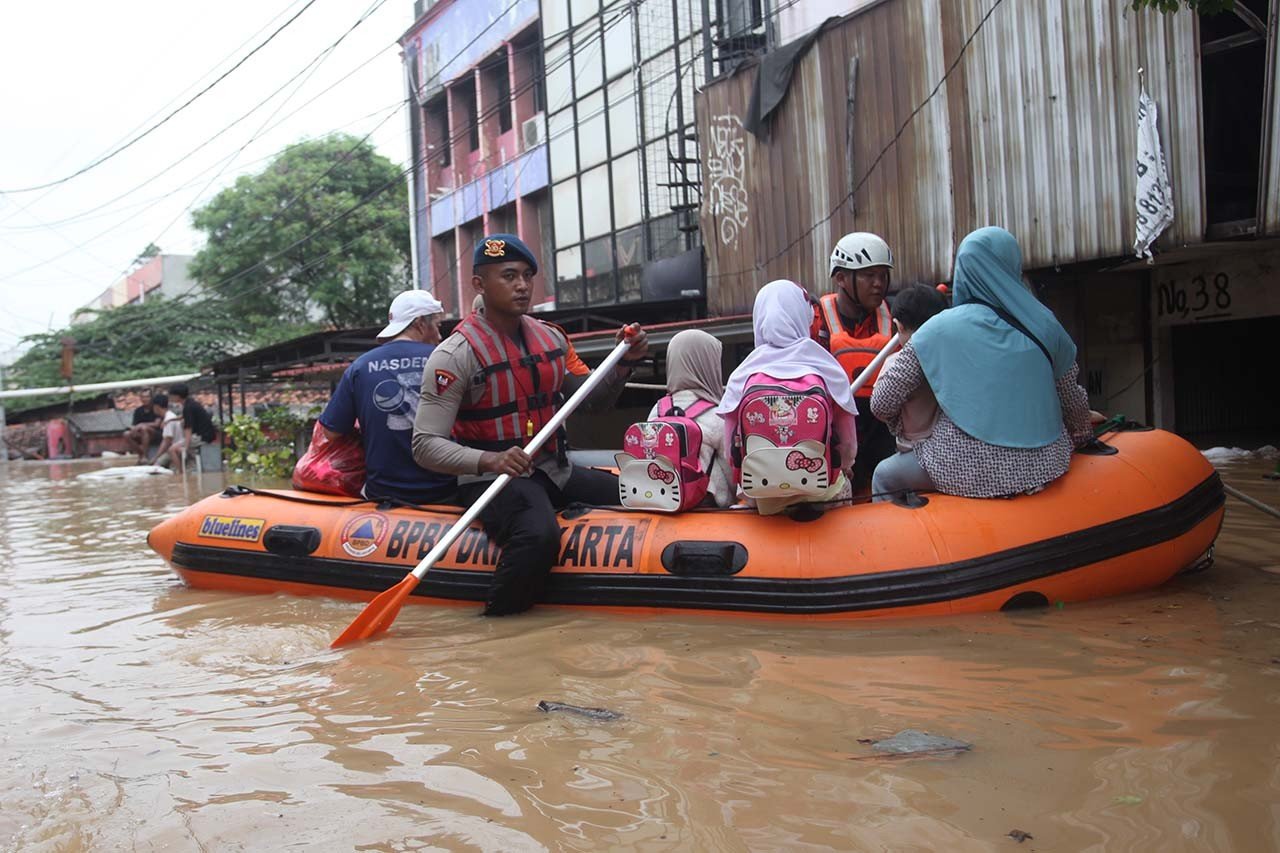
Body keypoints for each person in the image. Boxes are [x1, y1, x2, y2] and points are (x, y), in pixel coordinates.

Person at [412, 233, 649, 615]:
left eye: (527, 275)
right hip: (494, 482)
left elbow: (594, 403)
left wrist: (624, 361)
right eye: (508, 276)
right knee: (539, 536)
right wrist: (490, 461)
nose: (522, 285)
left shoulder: (553, 340)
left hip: (554, 471)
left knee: (638, 492)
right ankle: (499, 624)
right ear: (479, 284)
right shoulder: (453, 357)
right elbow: (424, 445)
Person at [869, 226, 1093, 501]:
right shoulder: (1046, 324)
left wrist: (906, 428)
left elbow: (881, 403)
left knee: (884, 474)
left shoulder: (935, 330)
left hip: (962, 467)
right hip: (1044, 464)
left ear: (962, 270)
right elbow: (1072, 399)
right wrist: (1083, 435)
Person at [717, 280, 858, 516]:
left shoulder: (743, 374)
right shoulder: (825, 366)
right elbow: (849, 446)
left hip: (763, 494)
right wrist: (843, 466)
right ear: (803, 316)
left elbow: (729, 450)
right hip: (823, 491)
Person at [318, 289, 457, 504]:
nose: (440, 336)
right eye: (437, 326)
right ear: (420, 323)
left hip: (383, 494)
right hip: (444, 493)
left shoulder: (361, 366)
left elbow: (331, 432)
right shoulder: (447, 360)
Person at [815, 231, 898, 492]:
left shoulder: (895, 319)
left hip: (884, 430)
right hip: (840, 431)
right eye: (868, 275)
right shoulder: (818, 322)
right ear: (841, 278)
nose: (878, 283)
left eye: (883, 275)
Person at [647, 329, 733, 508]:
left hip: (660, 498)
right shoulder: (716, 415)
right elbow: (732, 472)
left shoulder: (657, 410)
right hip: (704, 504)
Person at [875, 284, 948, 456]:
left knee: (881, 476)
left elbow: (881, 410)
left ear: (898, 326)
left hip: (913, 449)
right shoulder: (951, 358)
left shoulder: (895, 364)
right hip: (950, 446)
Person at [168, 384, 217, 470]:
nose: (171, 398)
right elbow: (184, 417)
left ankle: (180, 473)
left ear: (177, 396)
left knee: (172, 450)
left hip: (202, 437)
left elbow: (188, 428)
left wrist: (186, 447)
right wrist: (170, 420)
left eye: (172, 396)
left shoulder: (188, 407)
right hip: (207, 434)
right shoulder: (191, 403)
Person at [150, 394, 186, 472]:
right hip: (176, 446)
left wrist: (156, 457)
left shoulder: (168, 419)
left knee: (155, 467)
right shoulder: (171, 416)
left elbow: (166, 441)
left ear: (156, 406)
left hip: (175, 448)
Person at [123, 392, 162, 464]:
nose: (145, 399)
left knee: (144, 428)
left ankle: (145, 455)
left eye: (147, 397)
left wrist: (142, 425)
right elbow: (134, 424)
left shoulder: (156, 408)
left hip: (156, 433)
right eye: (143, 397)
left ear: (151, 398)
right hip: (141, 433)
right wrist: (133, 429)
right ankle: (141, 454)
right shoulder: (138, 411)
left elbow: (157, 424)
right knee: (126, 434)